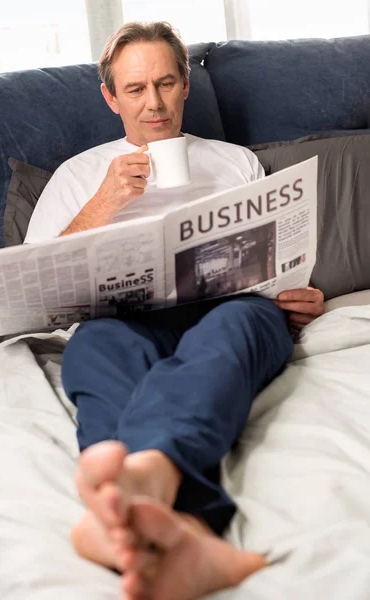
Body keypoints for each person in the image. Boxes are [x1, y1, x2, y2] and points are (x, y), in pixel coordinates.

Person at [25, 21, 325, 600]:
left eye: (165, 83)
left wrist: (295, 294)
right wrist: (106, 201)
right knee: (96, 346)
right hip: (121, 318)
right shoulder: (79, 175)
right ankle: (173, 512)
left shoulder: (234, 161)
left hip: (232, 308)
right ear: (111, 97)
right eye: (135, 89)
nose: (154, 103)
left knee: (236, 330)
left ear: (186, 85)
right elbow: (38, 287)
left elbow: (277, 259)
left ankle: (123, 505)